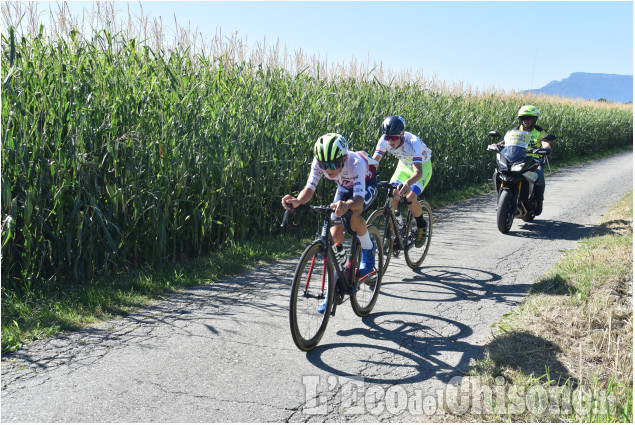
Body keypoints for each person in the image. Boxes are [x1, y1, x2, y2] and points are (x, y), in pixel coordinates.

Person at [281, 133, 378, 314]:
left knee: (354, 216)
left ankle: (368, 248)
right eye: (325, 165)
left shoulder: (354, 163)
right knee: (334, 234)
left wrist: (347, 206)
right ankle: (338, 279)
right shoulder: (319, 163)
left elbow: (357, 200)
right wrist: (297, 201)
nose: (329, 169)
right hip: (344, 186)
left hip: (366, 183)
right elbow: (309, 189)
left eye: (334, 164)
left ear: (344, 158)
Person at [372, 116, 432, 248]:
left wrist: (408, 184)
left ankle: (422, 225)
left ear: (402, 134)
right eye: (388, 137)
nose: (390, 141)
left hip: (422, 167)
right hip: (404, 166)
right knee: (392, 192)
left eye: (394, 137)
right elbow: (374, 162)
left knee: (410, 197)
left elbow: (418, 172)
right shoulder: (384, 140)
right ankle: (398, 224)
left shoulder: (413, 142)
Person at [512, 105, 552, 216]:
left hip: (534, 160)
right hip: (518, 158)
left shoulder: (539, 131)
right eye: (524, 118)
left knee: (539, 178)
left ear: (534, 119)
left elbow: (545, 141)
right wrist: (498, 145)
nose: (526, 120)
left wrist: (546, 147)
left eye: (529, 118)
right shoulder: (516, 129)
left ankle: (539, 201)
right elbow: (507, 140)